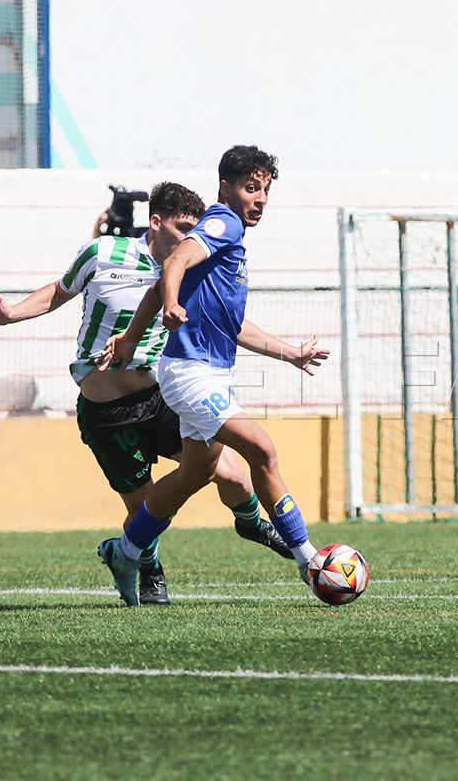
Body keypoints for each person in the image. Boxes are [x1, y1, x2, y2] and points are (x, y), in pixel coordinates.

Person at [0, 182, 292, 606]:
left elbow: (232, 322)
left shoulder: (192, 266)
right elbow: (60, 290)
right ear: (156, 222)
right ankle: (148, 571)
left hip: (160, 397)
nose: (192, 235)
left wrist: (289, 352)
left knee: (230, 472)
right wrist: (10, 314)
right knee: (146, 510)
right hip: (106, 411)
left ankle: (250, 524)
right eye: (182, 227)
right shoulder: (102, 253)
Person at [97, 145, 330, 606]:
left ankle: (125, 551)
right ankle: (309, 561)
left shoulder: (228, 241)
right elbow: (174, 262)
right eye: (251, 187)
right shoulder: (224, 223)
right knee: (263, 450)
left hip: (213, 374)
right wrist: (168, 304)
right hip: (190, 375)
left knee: (194, 474)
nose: (260, 198)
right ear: (225, 186)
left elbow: (230, 322)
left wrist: (291, 354)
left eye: (265, 189)